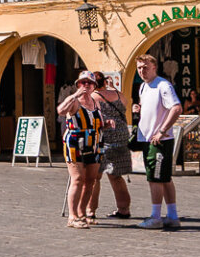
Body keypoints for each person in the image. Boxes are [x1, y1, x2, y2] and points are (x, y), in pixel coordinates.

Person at [132, 53, 182, 230]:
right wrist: (139, 109)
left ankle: (155, 216)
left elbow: (176, 108)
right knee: (165, 178)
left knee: (155, 178)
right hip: (148, 139)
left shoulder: (163, 85)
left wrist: (162, 131)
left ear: (154, 67)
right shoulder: (144, 87)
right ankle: (172, 216)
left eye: (145, 67)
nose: (141, 71)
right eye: (139, 68)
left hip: (159, 141)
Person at [57, 72, 105, 228]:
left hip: (95, 143)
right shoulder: (74, 101)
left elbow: (98, 122)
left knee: (91, 180)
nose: (86, 85)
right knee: (77, 178)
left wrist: (108, 123)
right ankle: (72, 216)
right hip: (75, 143)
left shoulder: (95, 102)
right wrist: (74, 95)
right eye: (83, 82)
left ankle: (82, 213)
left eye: (90, 83)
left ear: (94, 86)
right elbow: (61, 111)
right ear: (78, 84)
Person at [93, 72, 134, 219]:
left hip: (104, 136)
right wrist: (112, 87)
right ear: (105, 81)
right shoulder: (117, 94)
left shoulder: (93, 97)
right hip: (121, 135)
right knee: (116, 176)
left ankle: (90, 211)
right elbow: (126, 104)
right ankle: (124, 209)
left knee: (95, 176)